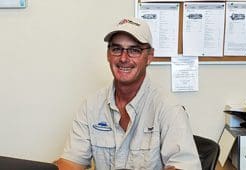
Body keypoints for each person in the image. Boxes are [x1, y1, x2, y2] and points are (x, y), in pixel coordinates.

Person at [55, 17, 201, 170]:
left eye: (134, 50)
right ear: (108, 55)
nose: (124, 58)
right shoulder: (91, 106)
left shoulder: (169, 108)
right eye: (117, 49)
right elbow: (71, 162)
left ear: (149, 56)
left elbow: (183, 167)